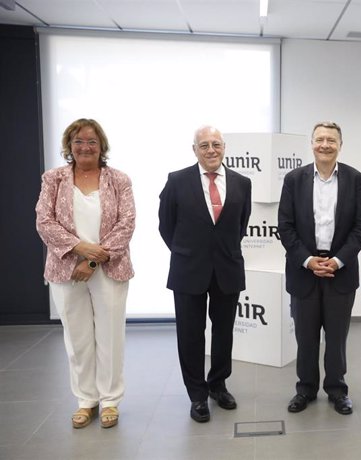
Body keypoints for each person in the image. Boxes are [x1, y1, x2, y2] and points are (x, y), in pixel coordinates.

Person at [35, 118, 135, 429]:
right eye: (78, 141)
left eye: (92, 141)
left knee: (109, 336)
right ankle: (85, 400)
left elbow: (126, 223)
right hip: (65, 270)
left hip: (109, 268)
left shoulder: (118, 179)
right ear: (69, 146)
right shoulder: (54, 178)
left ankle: (109, 401)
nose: (85, 146)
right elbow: (44, 222)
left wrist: (92, 260)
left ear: (102, 146)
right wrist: (80, 248)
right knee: (77, 338)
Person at [158, 125, 251, 423]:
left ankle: (218, 385)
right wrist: (187, 251)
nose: (211, 150)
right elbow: (166, 226)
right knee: (190, 335)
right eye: (204, 145)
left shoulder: (242, 183)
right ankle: (197, 395)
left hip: (227, 268)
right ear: (194, 149)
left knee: (224, 333)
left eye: (216, 144)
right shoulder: (177, 181)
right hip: (188, 269)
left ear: (224, 147)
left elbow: (240, 225)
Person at [278, 121, 361, 415]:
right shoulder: (294, 179)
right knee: (305, 337)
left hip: (340, 270)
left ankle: (337, 390)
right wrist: (307, 260)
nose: (325, 144)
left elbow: (360, 226)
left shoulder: (355, 179)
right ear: (312, 143)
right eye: (320, 139)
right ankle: (305, 389)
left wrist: (338, 260)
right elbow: (286, 226)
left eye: (331, 139)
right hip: (304, 269)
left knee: (337, 337)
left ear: (340, 145)